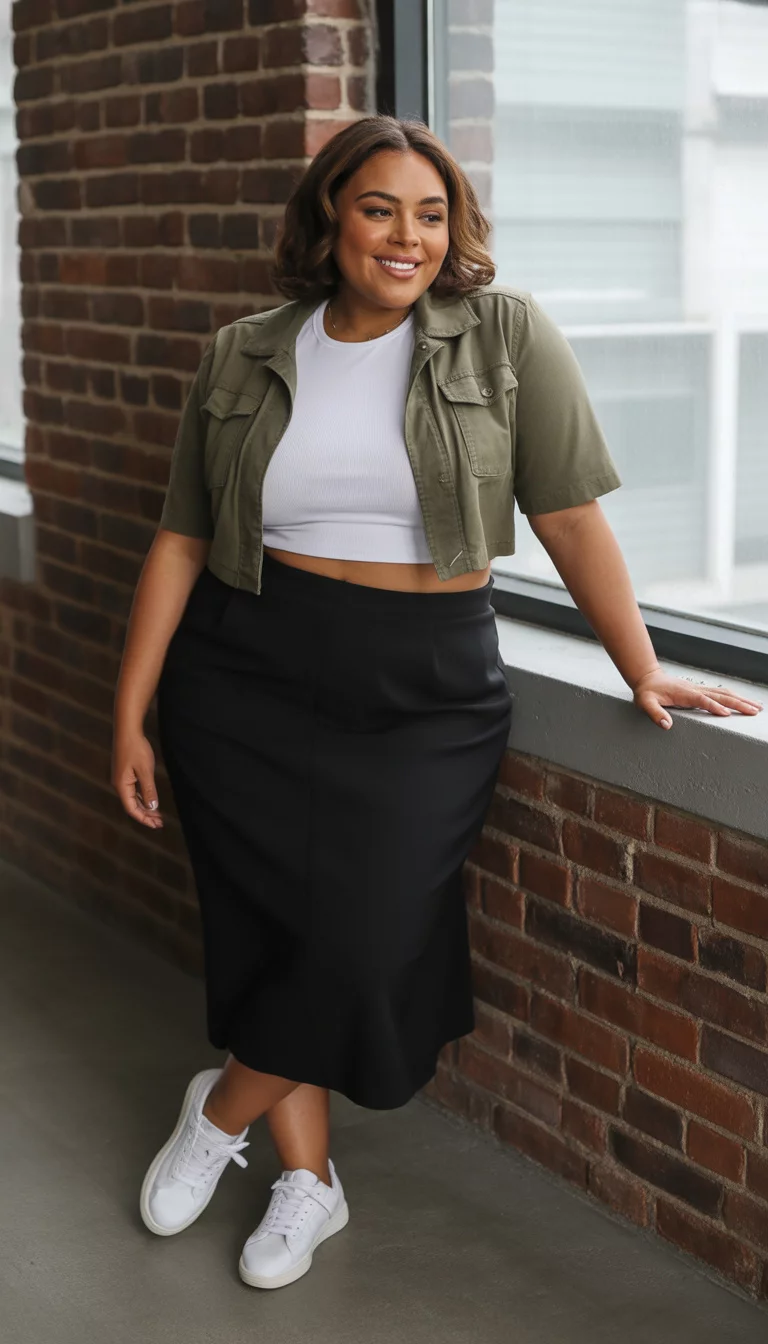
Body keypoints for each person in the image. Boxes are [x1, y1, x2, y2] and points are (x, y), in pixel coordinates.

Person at [110, 115, 762, 1292]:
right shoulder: (246, 350)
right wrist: (132, 713)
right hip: (244, 672)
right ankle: (309, 1182)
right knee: (274, 932)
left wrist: (639, 663)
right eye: (378, 208)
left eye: (431, 213)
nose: (406, 235)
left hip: (424, 681)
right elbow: (181, 538)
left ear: (455, 230)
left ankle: (220, 1110)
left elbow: (567, 514)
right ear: (330, 217)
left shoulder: (504, 334)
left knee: (361, 936)